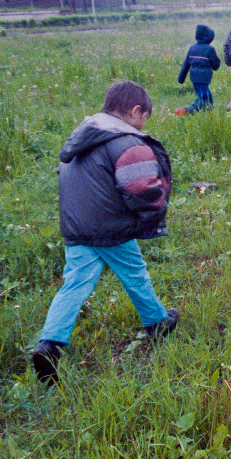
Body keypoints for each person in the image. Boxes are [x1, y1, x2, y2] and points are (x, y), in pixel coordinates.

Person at [31, 81, 178, 385]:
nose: (142, 125)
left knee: (74, 284)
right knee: (135, 272)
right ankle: (157, 322)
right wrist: (157, 200)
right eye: (144, 118)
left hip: (76, 226)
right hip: (109, 227)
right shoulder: (125, 142)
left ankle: (50, 344)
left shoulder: (84, 134)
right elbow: (141, 188)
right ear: (136, 111)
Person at [175, 24, 221, 115]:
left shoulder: (192, 48)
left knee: (208, 97)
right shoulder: (210, 49)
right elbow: (216, 64)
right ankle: (185, 111)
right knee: (204, 99)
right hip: (204, 77)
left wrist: (181, 78)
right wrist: (215, 66)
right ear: (208, 37)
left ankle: (209, 114)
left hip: (194, 78)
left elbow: (186, 64)